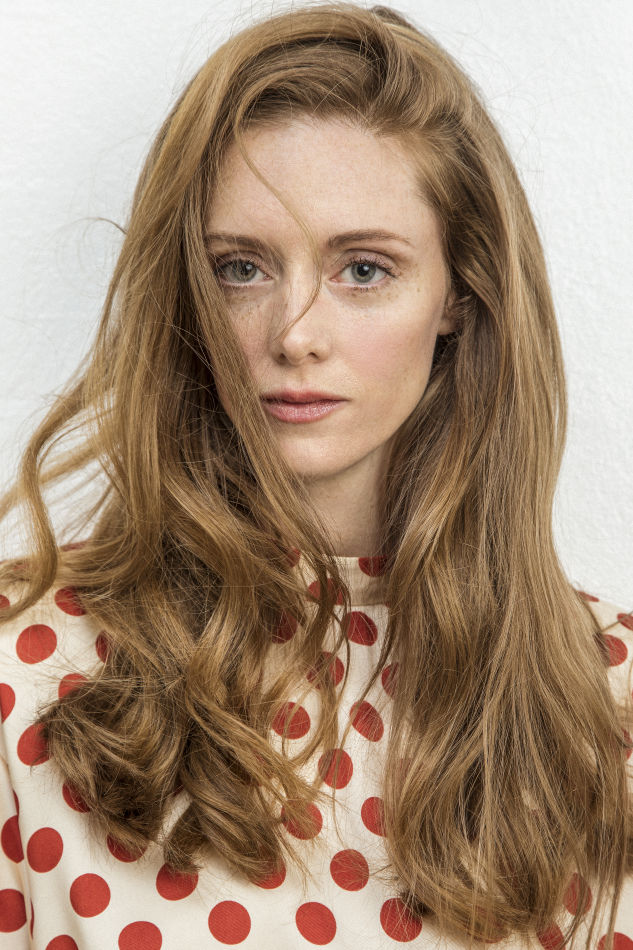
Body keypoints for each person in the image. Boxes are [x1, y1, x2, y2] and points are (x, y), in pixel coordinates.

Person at [0, 2, 631, 948]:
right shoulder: (25, 667)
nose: (295, 335)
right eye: (240, 268)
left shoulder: (607, 701)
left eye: (364, 270)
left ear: (460, 295)